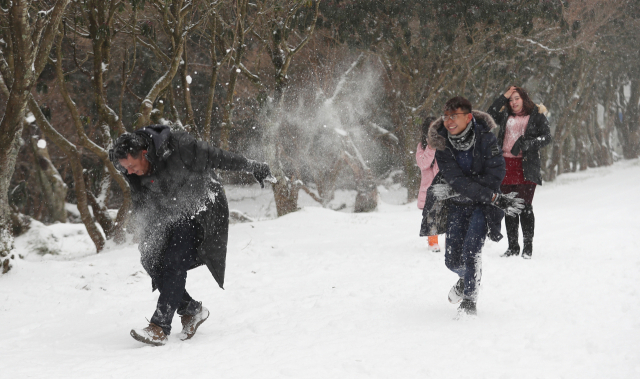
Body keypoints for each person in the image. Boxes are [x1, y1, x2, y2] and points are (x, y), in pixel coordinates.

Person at [109, 124, 273, 346]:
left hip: (201, 205)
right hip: (169, 210)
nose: (128, 171)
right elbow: (142, 202)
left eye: (131, 165)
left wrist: (252, 166)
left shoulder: (179, 147)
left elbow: (217, 156)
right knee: (151, 258)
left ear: (145, 153)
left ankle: (159, 327)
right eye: (124, 168)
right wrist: (146, 234)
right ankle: (191, 310)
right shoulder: (131, 171)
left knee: (173, 260)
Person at [427, 96, 524, 317]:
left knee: (471, 251)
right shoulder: (442, 145)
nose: (449, 121)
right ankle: (466, 277)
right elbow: (455, 179)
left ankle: (469, 301)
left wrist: (481, 195)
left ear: (468, 117)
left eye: (455, 116)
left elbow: (497, 172)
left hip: (484, 205)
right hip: (459, 205)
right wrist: (471, 191)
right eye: (446, 116)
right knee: (452, 260)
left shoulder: (486, 138)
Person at [487, 86, 552, 259]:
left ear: (524, 98)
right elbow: (490, 115)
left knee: (525, 207)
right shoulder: (505, 115)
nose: (513, 102)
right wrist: (504, 96)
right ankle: (513, 247)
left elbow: (547, 137)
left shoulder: (537, 115)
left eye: (516, 98)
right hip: (505, 165)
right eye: (511, 99)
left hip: (526, 166)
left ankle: (528, 247)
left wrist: (529, 144)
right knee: (509, 207)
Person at [416, 116, 441, 252]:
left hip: (445, 186)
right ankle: (433, 244)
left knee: (450, 215)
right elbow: (423, 164)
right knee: (432, 215)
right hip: (429, 188)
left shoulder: (446, 144)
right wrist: (430, 147)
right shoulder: (422, 146)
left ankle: (453, 242)